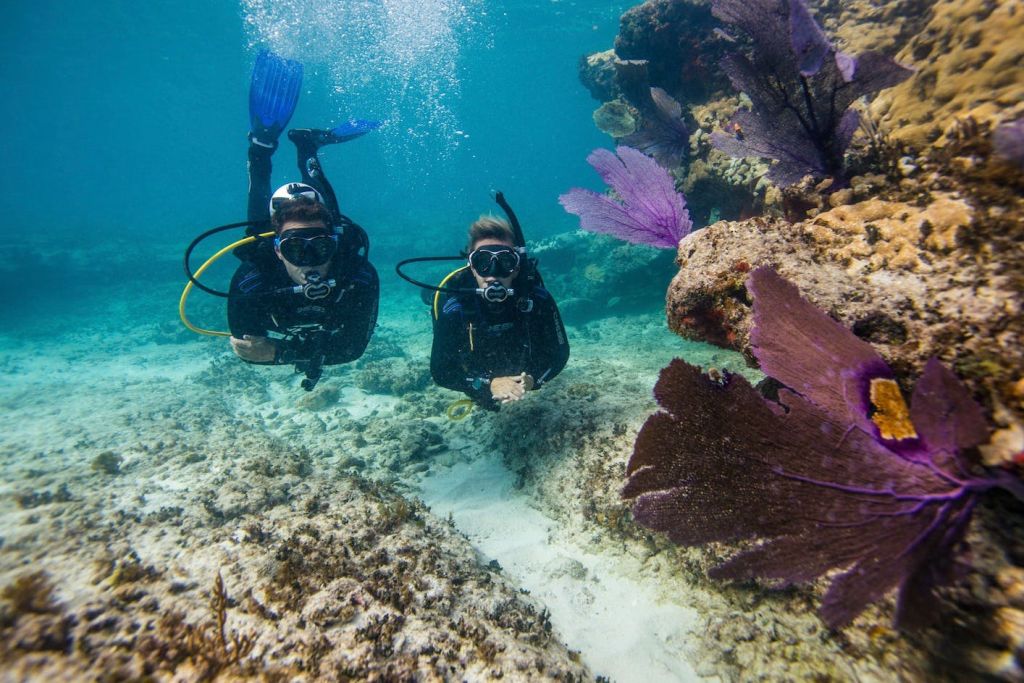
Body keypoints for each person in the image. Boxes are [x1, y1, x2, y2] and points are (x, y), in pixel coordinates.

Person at [227, 50, 379, 389]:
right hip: (275, 239)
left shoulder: (357, 275)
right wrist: (298, 351)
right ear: (279, 251)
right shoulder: (254, 278)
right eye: (297, 249)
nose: (310, 260)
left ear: (333, 247)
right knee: (261, 229)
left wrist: (280, 352)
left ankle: (270, 145)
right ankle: (286, 149)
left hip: (328, 238)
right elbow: (246, 348)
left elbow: (354, 349)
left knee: (327, 216)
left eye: (320, 247)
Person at [430, 216, 569, 410]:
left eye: (505, 261)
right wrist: (487, 383)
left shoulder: (538, 298)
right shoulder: (454, 305)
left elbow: (559, 354)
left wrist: (532, 379)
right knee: (430, 297)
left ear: (517, 267)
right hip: (477, 365)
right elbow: (441, 371)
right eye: (483, 262)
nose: (493, 274)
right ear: (471, 266)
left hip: (516, 360)